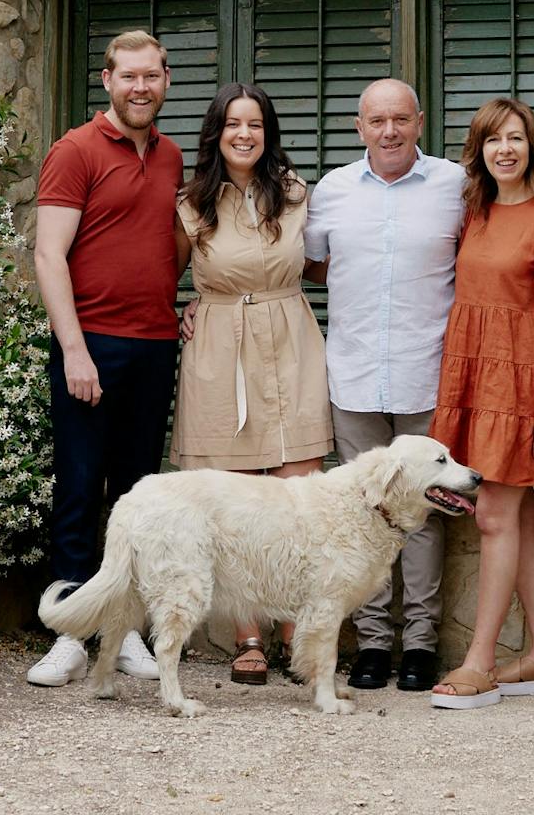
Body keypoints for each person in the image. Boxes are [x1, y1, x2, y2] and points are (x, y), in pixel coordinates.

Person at [27, 30, 180, 688]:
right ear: (107, 80)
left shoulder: (172, 156)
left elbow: (171, 249)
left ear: (165, 79)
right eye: (129, 77)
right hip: (89, 347)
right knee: (80, 491)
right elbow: (47, 254)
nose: (140, 88)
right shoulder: (76, 150)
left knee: (136, 497)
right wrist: (73, 349)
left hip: (154, 347)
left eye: (151, 77)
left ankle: (123, 634)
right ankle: (68, 634)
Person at [302, 78, 464, 693]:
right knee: (365, 510)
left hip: (429, 371)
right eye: (377, 121)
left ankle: (419, 644)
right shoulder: (333, 192)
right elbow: (311, 265)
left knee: (426, 510)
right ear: (358, 126)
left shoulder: (455, 185)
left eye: (400, 119)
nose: (389, 131)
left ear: (420, 121)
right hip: (355, 373)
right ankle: (372, 641)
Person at [428, 97, 534, 710]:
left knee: (492, 515)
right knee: (514, 518)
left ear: (532, 146)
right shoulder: (476, 212)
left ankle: (480, 662)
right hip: (473, 376)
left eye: (516, 138)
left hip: (524, 387)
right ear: (480, 150)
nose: (505, 150)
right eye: (493, 140)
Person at [174, 82, 332, 685]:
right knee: (234, 500)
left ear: (269, 133)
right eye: (233, 124)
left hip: (290, 335)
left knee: (300, 495)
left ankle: (298, 635)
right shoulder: (191, 202)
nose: (245, 134)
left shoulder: (296, 194)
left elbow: (327, 260)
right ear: (216, 133)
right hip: (218, 345)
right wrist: (179, 309)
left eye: (256, 125)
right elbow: (163, 274)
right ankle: (248, 638)